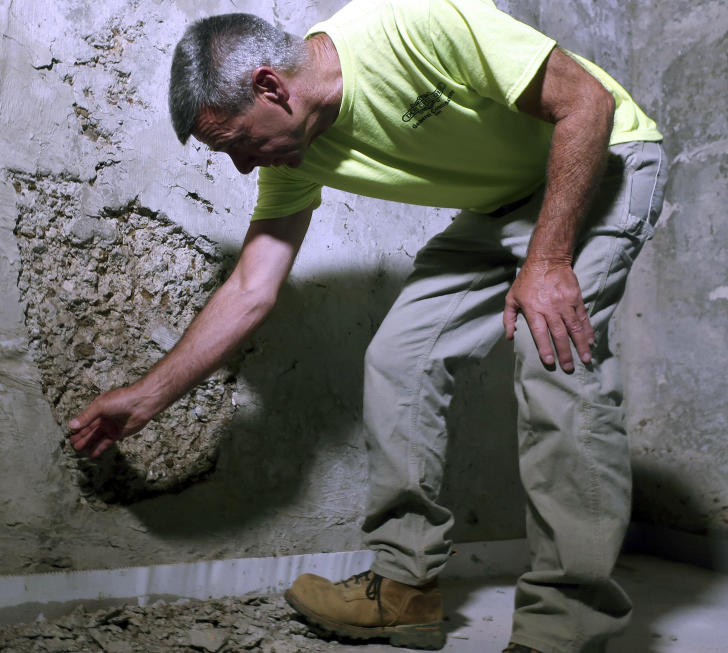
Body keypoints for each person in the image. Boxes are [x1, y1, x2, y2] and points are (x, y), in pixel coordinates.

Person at [67, 1, 667, 651]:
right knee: (398, 359)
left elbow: (587, 103)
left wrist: (548, 260)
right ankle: (405, 590)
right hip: (499, 207)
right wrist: (146, 396)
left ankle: (567, 622)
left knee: (552, 351)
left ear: (271, 87)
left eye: (238, 141)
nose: (244, 165)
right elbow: (250, 287)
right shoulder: (295, 151)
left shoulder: (412, 22)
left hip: (601, 160)